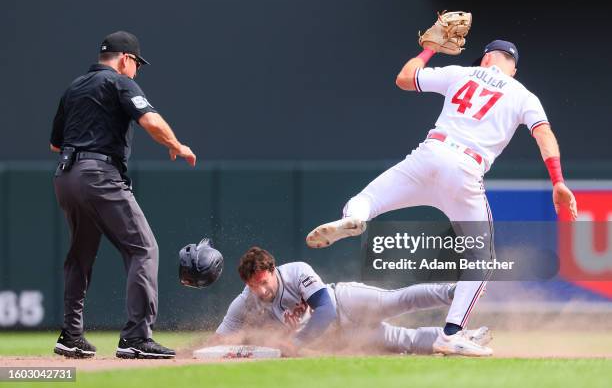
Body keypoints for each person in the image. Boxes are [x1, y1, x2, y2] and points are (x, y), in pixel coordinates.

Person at [305, 39, 578, 356]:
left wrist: (429, 48)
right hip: (465, 168)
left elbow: (406, 78)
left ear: (485, 59)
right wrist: (558, 181)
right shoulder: (523, 95)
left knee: (365, 199)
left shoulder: (462, 73)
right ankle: (451, 333)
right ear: (512, 69)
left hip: (429, 154)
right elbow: (543, 134)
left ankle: (355, 219)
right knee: (481, 260)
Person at [50, 31, 196, 359]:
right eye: (136, 65)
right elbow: (150, 120)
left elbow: (55, 144)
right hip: (98, 175)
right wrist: (176, 145)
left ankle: (71, 335)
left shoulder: (74, 87)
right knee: (143, 249)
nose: (136, 71)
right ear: (125, 59)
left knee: (80, 255)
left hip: (65, 176)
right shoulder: (118, 82)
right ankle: (136, 337)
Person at [209, 247, 492, 356]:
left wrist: (296, 342)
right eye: (252, 285)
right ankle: (460, 339)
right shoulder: (245, 301)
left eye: (262, 281)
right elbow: (222, 336)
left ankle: (456, 292)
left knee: (398, 300)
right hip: (343, 335)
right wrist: (197, 351)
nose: (259, 290)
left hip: (345, 302)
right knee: (402, 340)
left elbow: (326, 309)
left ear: (272, 270)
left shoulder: (295, 271)